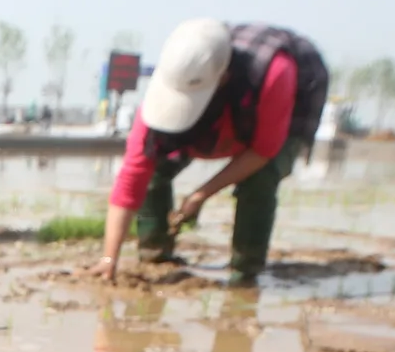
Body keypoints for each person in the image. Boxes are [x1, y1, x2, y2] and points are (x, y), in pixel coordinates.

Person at [89, 19, 328, 284]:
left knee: (260, 179)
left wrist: (200, 195)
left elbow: (263, 151)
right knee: (155, 166)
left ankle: (246, 270)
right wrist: (109, 258)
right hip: (223, 112)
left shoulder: (274, 73)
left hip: (286, 98)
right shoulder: (170, 83)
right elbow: (133, 175)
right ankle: (155, 253)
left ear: (223, 78)